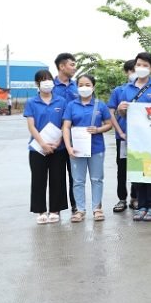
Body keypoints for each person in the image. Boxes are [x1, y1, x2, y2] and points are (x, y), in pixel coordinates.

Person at [115, 51, 151, 222]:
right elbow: (124, 115)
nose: (141, 68)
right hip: (135, 139)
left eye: (145, 65)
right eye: (139, 64)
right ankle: (141, 205)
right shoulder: (127, 89)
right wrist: (121, 110)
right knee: (138, 173)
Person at [62, 75, 113, 223]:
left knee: (97, 179)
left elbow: (109, 124)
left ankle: (97, 209)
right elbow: (66, 127)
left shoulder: (100, 105)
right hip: (77, 149)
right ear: (77, 87)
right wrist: (68, 147)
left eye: (87, 84)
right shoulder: (71, 105)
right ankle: (80, 210)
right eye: (81, 85)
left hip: (96, 148)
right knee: (78, 180)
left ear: (93, 87)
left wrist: (98, 130)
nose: (84, 87)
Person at [24, 70, 68, 224]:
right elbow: (31, 126)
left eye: (49, 79)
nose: (47, 82)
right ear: (37, 83)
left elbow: (65, 124)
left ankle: (55, 210)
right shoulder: (31, 102)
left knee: (58, 178)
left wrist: (58, 141)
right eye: (43, 80)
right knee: (38, 179)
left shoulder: (61, 101)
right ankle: (41, 211)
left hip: (58, 147)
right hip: (37, 148)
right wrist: (42, 143)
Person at [108, 59, 135, 213]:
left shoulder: (148, 89)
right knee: (122, 168)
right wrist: (120, 132)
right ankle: (122, 198)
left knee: (139, 166)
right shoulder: (119, 91)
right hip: (123, 138)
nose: (135, 73)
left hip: (141, 138)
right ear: (126, 72)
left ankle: (135, 197)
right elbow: (111, 112)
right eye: (132, 70)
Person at [53, 52, 79, 213]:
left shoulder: (78, 87)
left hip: (75, 137)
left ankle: (76, 206)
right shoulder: (50, 86)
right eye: (72, 65)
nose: (74, 68)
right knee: (57, 175)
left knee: (75, 174)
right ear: (62, 66)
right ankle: (56, 208)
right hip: (55, 138)